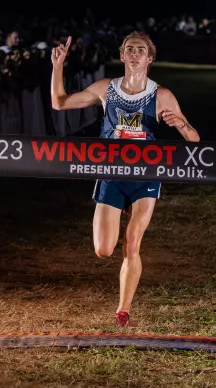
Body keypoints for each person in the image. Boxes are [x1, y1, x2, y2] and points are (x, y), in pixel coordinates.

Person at [49, 31, 199, 327]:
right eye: (129, 49)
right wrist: (58, 66)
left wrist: (181, 124)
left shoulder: (161, 95)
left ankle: (122, 311)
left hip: (145, 177)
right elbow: (60, 103)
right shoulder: (107, 89)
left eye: (140, 50)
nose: (134, 54)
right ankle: (120, 210)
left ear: (149, 58)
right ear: (121, 56)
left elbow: (194, 140)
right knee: (103, 250)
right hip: (111, 175)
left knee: (132, 244)